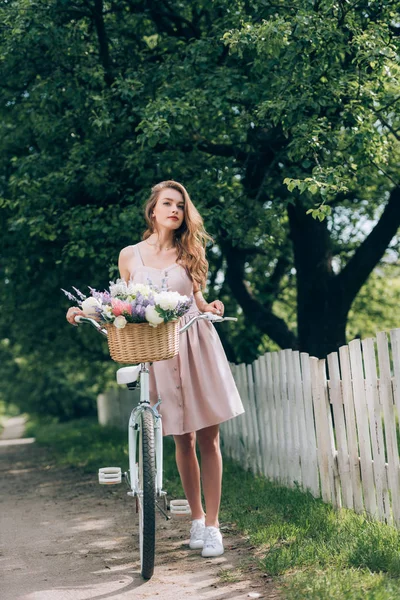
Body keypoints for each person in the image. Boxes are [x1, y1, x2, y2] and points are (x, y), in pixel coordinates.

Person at [66, 180, 245, 558]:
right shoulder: (130, 255)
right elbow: (121, 301)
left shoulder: (191, 251)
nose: (175, 210)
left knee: (209, 437)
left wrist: (210, 305)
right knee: (183, 438)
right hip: (159, 348)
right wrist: (85, 309)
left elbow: (196, 299)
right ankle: (195, 518)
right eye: (168, 203)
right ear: (153, 209)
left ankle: (213, 526)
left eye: (180, 205)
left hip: (196, 342)